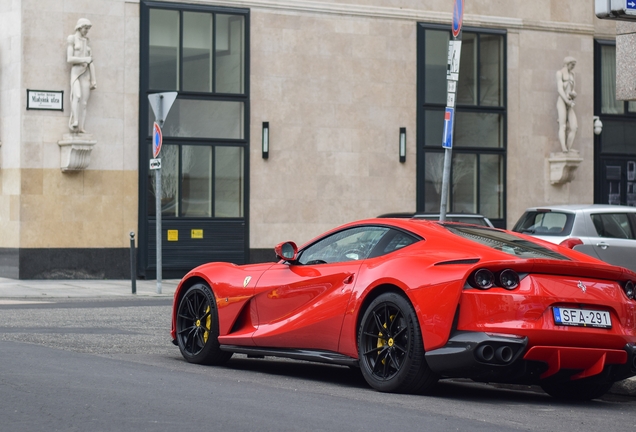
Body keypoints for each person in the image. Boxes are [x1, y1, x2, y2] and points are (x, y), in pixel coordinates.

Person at [67, 18, 97, 133]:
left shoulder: (87, 43)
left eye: (88, 29)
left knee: (84, 102)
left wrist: (94, 80)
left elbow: (91, 63)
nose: (86, 31)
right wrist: (85, 59)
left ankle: (81, 127)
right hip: (75, 73)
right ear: (80, 27)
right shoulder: (72, 39)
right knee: (77, 96)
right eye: (86, 28)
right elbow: (69, 59)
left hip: (86, 74)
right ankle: (75, 120)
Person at [556, 57, 577, 152]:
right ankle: (564, 148)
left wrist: (573, 94)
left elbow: (573, 90)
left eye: (574, 65)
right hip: (562, 101)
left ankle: (569, 148)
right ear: (567, 64)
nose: (573, 67)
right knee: (563, 126)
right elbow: (560, 89)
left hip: (570, 102)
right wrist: (566, 100)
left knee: (574, 127)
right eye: (572, 65)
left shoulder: (572, 75)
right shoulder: (559, 73)